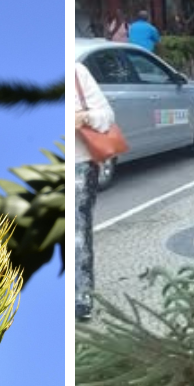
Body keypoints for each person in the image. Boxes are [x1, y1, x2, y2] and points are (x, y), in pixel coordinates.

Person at [74, 62, 115, 322]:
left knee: (78, 233)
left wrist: (86, 116)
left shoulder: (76, 72)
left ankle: (82, 297)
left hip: (78, 166)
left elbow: (107, 116)